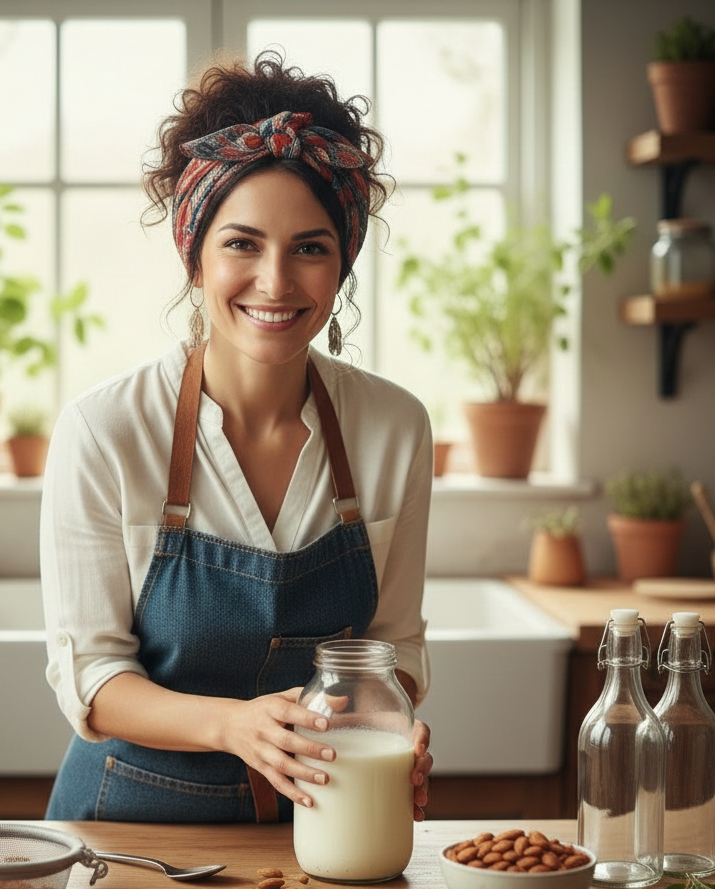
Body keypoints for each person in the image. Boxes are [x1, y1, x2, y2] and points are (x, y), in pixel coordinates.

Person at [40, 51, 433, 824]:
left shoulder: (394, 429)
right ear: (194, 255)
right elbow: (91, 674)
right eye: (242, 244)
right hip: (125, 828)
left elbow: (396, 648)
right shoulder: (105, 430)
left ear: (343, 263)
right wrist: (233, 724)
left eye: (311, 248)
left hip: (322, 822)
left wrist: (384, 727)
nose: (277, 282)